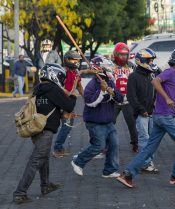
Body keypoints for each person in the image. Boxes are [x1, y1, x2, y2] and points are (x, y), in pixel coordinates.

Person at [116, 48, 175, 188]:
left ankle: (127, 175)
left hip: (158, 116)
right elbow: (155, 82)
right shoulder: (170, 72)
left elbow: (174, 97)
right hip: (164, 116)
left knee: (148, 149)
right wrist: (166, 97)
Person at [13, 63, 77, 204]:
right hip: (45, 130)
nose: (61, 79)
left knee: (43, 158)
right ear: (54, 75)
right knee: (36, 160)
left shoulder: (39, 88)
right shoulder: (53, 89)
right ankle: (20, 192)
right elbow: (69, 106)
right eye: (60, 76)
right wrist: (73, 95)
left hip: (36, 129)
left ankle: (46, 185)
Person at [71, 63, 124, 177]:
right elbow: (90, 102)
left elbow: (120, 99)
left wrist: (113, 92)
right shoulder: (92, 85)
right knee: (99, 146)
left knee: (114, 144)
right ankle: (78, 161)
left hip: (108, 122)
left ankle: (109, 170)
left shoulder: (110, 82)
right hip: (95, 122)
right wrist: (101, 91)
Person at [127, 48, 159, 173]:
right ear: (141, 60)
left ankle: (148, 161)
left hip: (151, 112)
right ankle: (146, 163)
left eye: (152, 60)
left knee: (151, 139)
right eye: (149, 60)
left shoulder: (150, 75)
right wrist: (141, 110)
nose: (151, 63)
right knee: (144, 138)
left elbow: (154, 92)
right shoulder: (133, 77)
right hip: (141, 114)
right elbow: (131, 97)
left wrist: (155, 104)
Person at [52, 50, 84, 158]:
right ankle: (57, 148)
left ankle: (58, 147)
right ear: (67, 60)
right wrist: (68, 94)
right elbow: (58, 87)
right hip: (62, 102)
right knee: (67, 125)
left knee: (67, 126)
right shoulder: (62, 72)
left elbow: (79, 86)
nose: (76, 62)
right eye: (74, 59)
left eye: (77, 60)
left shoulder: (76, 72)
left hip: (70, 102)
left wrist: (87, 98)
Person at [112, 42, 139, 153]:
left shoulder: (132, 66)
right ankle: (108, 143)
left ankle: (135, 143)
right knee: (109, 123)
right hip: (114, 100)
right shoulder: (110, 66)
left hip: (128, 100)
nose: (123, 57)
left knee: (132, 124)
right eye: (121, 55)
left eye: (125, 55)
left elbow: (136, 82)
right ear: (116, 54)